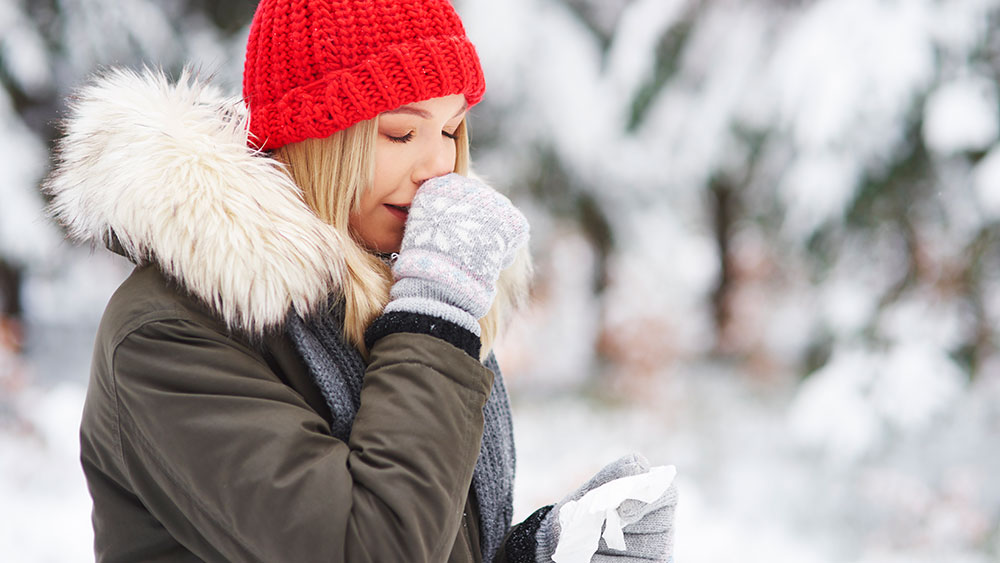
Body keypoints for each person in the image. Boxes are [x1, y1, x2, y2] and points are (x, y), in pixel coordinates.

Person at [44, 0, 677, 561]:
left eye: (452, 130)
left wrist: (538, 553)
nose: (438, 167)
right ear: (316, 139)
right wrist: (435, 318)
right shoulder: (170, 338)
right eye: (400, 132)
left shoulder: (395, 287)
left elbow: (422, 531)